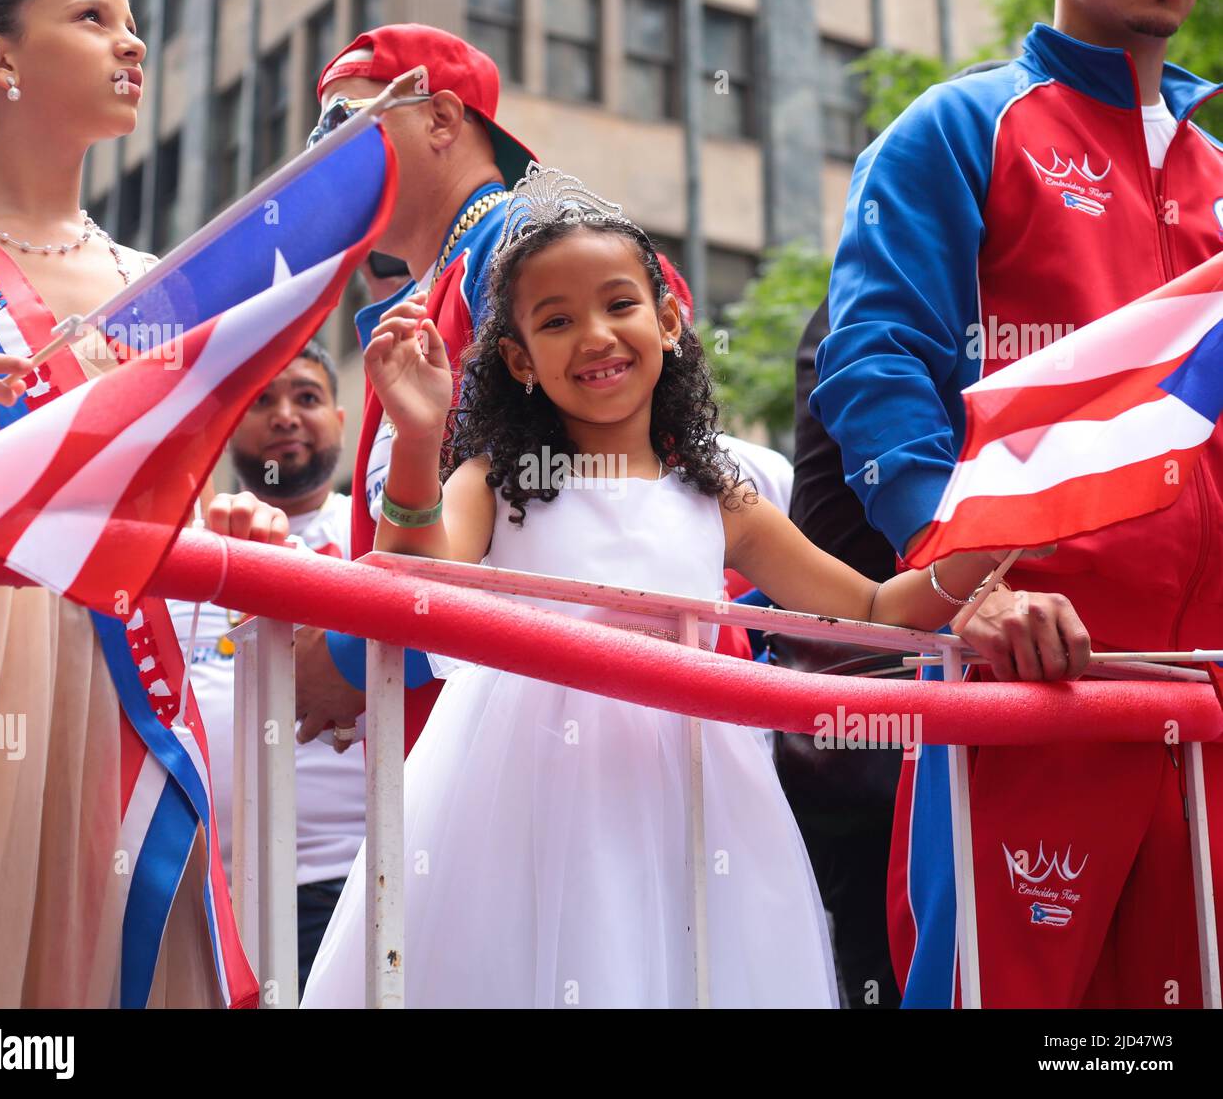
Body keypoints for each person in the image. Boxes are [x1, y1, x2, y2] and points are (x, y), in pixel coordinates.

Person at [300, 166, 1091, 1008]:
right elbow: (419, 586)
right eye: (557, 321)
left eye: (619, 304)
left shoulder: (721, 493)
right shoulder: (495, 478)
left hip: (695, 791)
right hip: (516, 791)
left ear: (670, 320)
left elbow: (870, 609)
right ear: (518, 360)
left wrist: (985, 544)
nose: (596, 335)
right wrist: (419, 438)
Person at [812, 0, 1223, 1007]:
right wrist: (966, 585)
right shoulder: (959, 128)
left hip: (1207, 695)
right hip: (1034, 675)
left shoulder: (1219, 174)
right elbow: (875, 360)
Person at [0, 0, 284, 1006]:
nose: (130, 41)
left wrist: (224, 515)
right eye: (90, 18)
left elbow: (171, 495)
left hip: (115, 672)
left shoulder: (156, 286)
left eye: (130, 22)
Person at [293, 23, 538, 759]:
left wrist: (356, 655)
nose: (322, 155)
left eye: (345, 121)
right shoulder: (435, 285)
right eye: (313, 134)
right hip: (459, 740)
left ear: (440, 118)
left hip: (534, 736)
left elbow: (556, 508)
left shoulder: (525, 245)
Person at [169, 341, 364, 992]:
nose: (285, 415)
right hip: (197, 901)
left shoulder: (377, 544)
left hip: (354, 888)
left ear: (340, 419)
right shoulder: (176, 557)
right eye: (261, 400)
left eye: (306, 397)